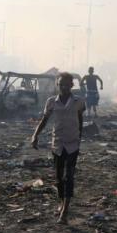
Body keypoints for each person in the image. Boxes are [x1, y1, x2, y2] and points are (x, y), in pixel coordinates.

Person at [31, 73, 86, 224]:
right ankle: (62, 202)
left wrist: (79, 136)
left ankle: (65, 211)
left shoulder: (78, 101)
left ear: (71, 86)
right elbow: (44, 120)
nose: (64, 87)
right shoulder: (51, 102)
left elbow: (80, 118)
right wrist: (35, 135)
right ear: (57, 84)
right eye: (61, 84)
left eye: (67, 84)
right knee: (58, 178)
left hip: (73, 143)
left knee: (69, 177)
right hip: (58, 144)